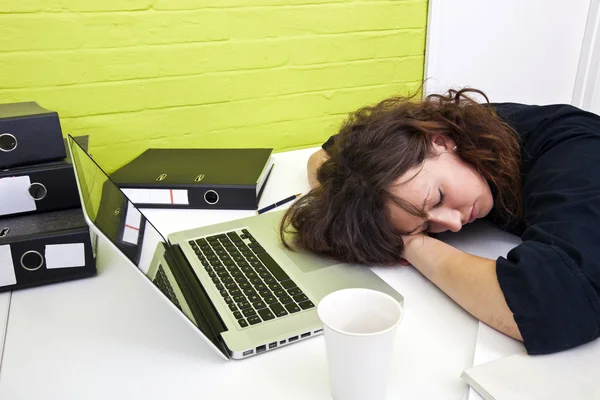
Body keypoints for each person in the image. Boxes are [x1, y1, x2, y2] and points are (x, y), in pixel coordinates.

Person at [279, 88, 600, 355]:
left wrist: (412, 242)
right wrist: (351, 206)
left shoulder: (574, 156)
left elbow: (553, 304)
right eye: (428, 225)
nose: (454, 225)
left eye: (438, 199)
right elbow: (325, 158)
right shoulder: (440, 139)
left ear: (441, 142)